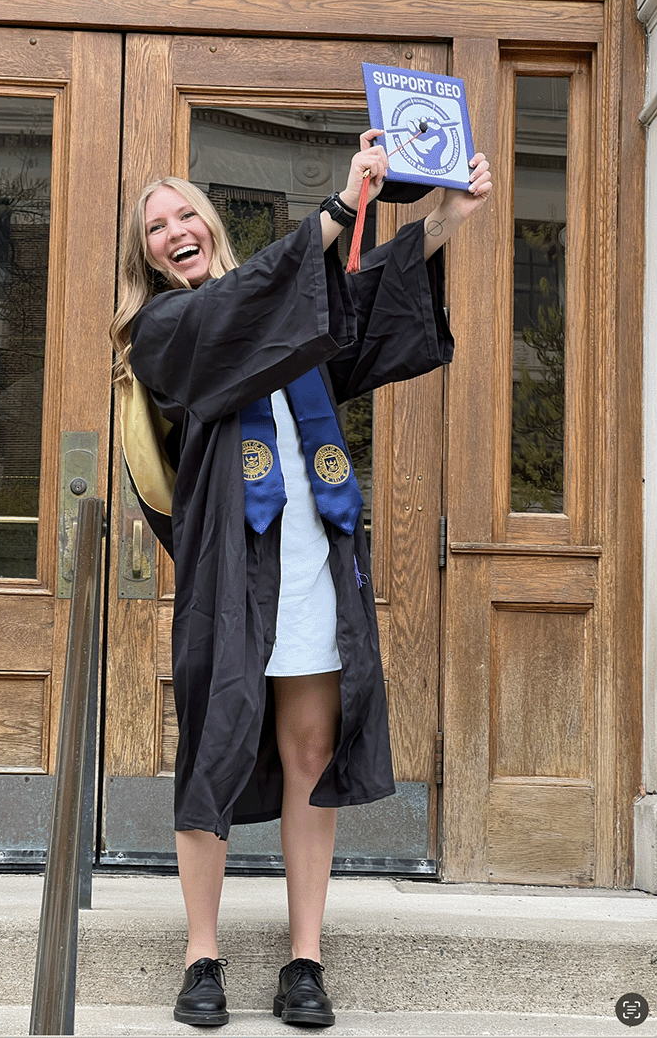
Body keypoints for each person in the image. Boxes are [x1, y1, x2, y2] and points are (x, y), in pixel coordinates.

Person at [111, 128, 491, 1028]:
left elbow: (355, 309)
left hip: (313, 561)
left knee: (310, 757)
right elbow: (240, 307)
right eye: (157, 227)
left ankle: (305, 961)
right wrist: (339, 208)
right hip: (230, 570)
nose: (174, 231)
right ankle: (202, 958)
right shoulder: (164, 330)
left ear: (211, 226)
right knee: (214, 748)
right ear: (148, 257)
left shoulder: (288, 306)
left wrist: (446, 215)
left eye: (185, 215)